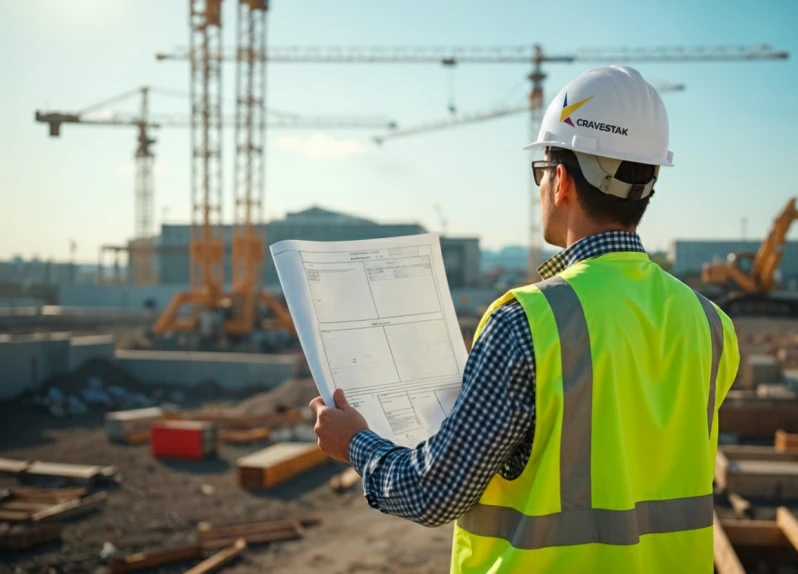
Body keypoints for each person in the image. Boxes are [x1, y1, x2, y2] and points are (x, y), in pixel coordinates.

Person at [309, 65, 740, 573]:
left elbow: (434, 494)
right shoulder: (710, 323)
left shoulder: (529, 322)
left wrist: (355, 444)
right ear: (647, 183)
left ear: (559, 181)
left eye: (541, 170)